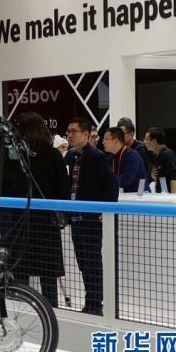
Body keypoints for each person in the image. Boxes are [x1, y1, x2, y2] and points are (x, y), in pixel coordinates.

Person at [0, 112, 69, 307]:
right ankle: (51, 310)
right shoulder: (53, 154)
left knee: (20, 270)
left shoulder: (12, 155)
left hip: (18, 221)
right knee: (48, 274)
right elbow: (63, 188)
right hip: (46, 222)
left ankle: (20, 308)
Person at [65, 117, 118, 316]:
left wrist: (105, 211)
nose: (70, 135)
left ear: (86, 134)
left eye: (74, 131)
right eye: (68, 131)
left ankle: (95, 303)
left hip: (90, 219)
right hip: (75, 218)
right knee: (82, 262)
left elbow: (112, 186)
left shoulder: (96, 157)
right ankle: (91, 301)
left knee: (92, 262)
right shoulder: (70, 156)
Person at [102, 127, 145, 192]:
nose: (103, 142)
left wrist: (105, 180)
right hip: (122, 195)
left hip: (140, 195)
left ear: (116, 141)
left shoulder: (132, 155)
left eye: (106, 139)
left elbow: (127, 179)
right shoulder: (110, 158)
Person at [143, 127, 176, 193]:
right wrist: (153, 175)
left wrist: (173, 197)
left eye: (146, 139)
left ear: (154, 141)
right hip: (163, 194)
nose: (144, 142)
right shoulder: (156, 155)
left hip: (172, 195)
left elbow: (174, 177)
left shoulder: (168, 154)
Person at [117, 117, 151, 183]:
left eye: (122, 134)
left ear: (131, 134)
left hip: (140, 184)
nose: (119, 136)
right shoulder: (120, 149)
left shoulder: (140, 149)